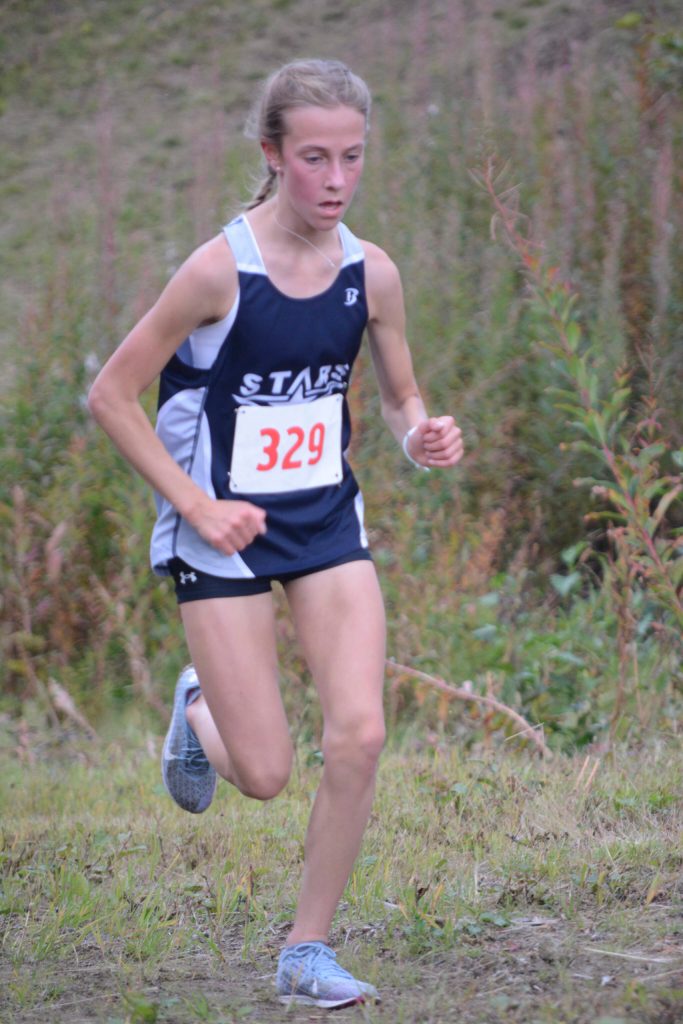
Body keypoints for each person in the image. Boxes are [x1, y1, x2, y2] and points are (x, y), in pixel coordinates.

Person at [88, 58, 464, 1009]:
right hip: (220, 533)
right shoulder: (220, 269)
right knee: (262, 773)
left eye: (352, 157)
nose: (335, 180)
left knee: (361, 734)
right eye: (313, 159)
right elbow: (112, 396)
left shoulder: (371, 272)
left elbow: (394, 395)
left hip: (326, 523)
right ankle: (198, 705)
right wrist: (199, 505)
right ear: (271, 155)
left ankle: (306, 952)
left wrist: (419, 434)